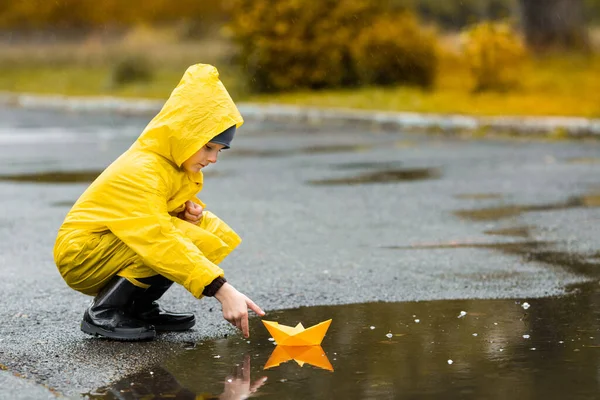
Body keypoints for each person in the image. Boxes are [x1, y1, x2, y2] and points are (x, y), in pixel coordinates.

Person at [53, 64, 265, 341]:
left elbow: (156, 223)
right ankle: (104, 312)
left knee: (203, 229)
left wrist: (184, 214)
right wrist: (222, 290)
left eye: (219, 151)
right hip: (81, 255)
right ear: (185, 135)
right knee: (170, 239)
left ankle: (138, 307)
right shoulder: (142, 169)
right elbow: (156, 237)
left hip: (109, 244)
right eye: (208, 147)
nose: (213, 159)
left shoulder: (170, 163)